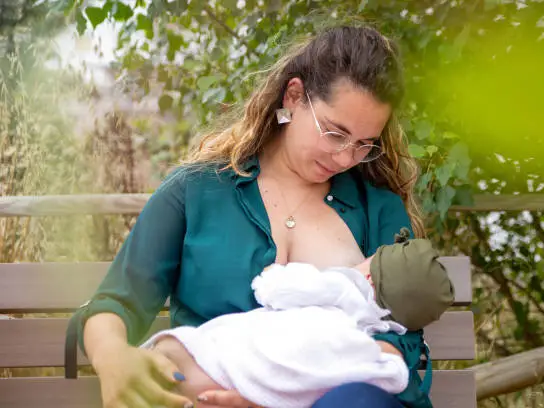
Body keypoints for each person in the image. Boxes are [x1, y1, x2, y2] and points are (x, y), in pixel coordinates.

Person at [67, 25, 446, 408]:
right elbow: (117, 301)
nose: (346, 157)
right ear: (295, 96)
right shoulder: (195, 192)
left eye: (365, 144)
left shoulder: (378, 209)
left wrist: (273, 401)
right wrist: (113, 357)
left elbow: (397, 345)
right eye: (335, 133)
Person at [138, 233, 454, 408]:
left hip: (213, 362)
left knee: (185, 351)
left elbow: (274, 288)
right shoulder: (363, 345)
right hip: (246, 385)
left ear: (370, 276)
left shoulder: (340, 287)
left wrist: (271, 276)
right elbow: (395, 376)